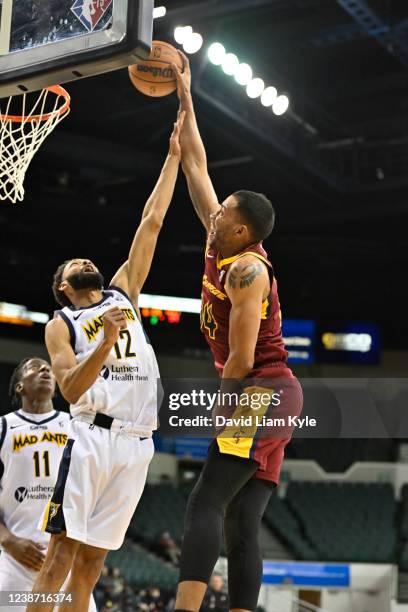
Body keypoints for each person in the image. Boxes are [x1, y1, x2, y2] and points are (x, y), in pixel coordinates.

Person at [28, 111, 185, 612]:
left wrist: (174, 157)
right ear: (63, 286)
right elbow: (71, 392)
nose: (85, 261)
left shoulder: (123, 293)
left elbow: (151, 222)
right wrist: (106, 340)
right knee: (60, 557)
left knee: (92, 567)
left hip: (138, 446)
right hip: (92, 437)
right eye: (75, 265)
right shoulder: (62, 323)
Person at [171, 54, 303, 612]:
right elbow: (197, 167)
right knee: (240, 524)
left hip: (261, 388)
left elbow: (243, 357)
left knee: (204, 500)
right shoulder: (217, 239)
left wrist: (223, 414)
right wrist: (184, 95)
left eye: (223, 211)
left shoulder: (249, 270)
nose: (215, 210)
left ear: (241, 227)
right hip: (271, 391)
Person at [0, 357, 95, 611]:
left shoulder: (78, 426)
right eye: (34, 367)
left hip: (65, 559)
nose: (45, 369)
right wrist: (7, 538)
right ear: (19, 386)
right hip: (14, 562)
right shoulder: (3, 427)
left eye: (49, 369)